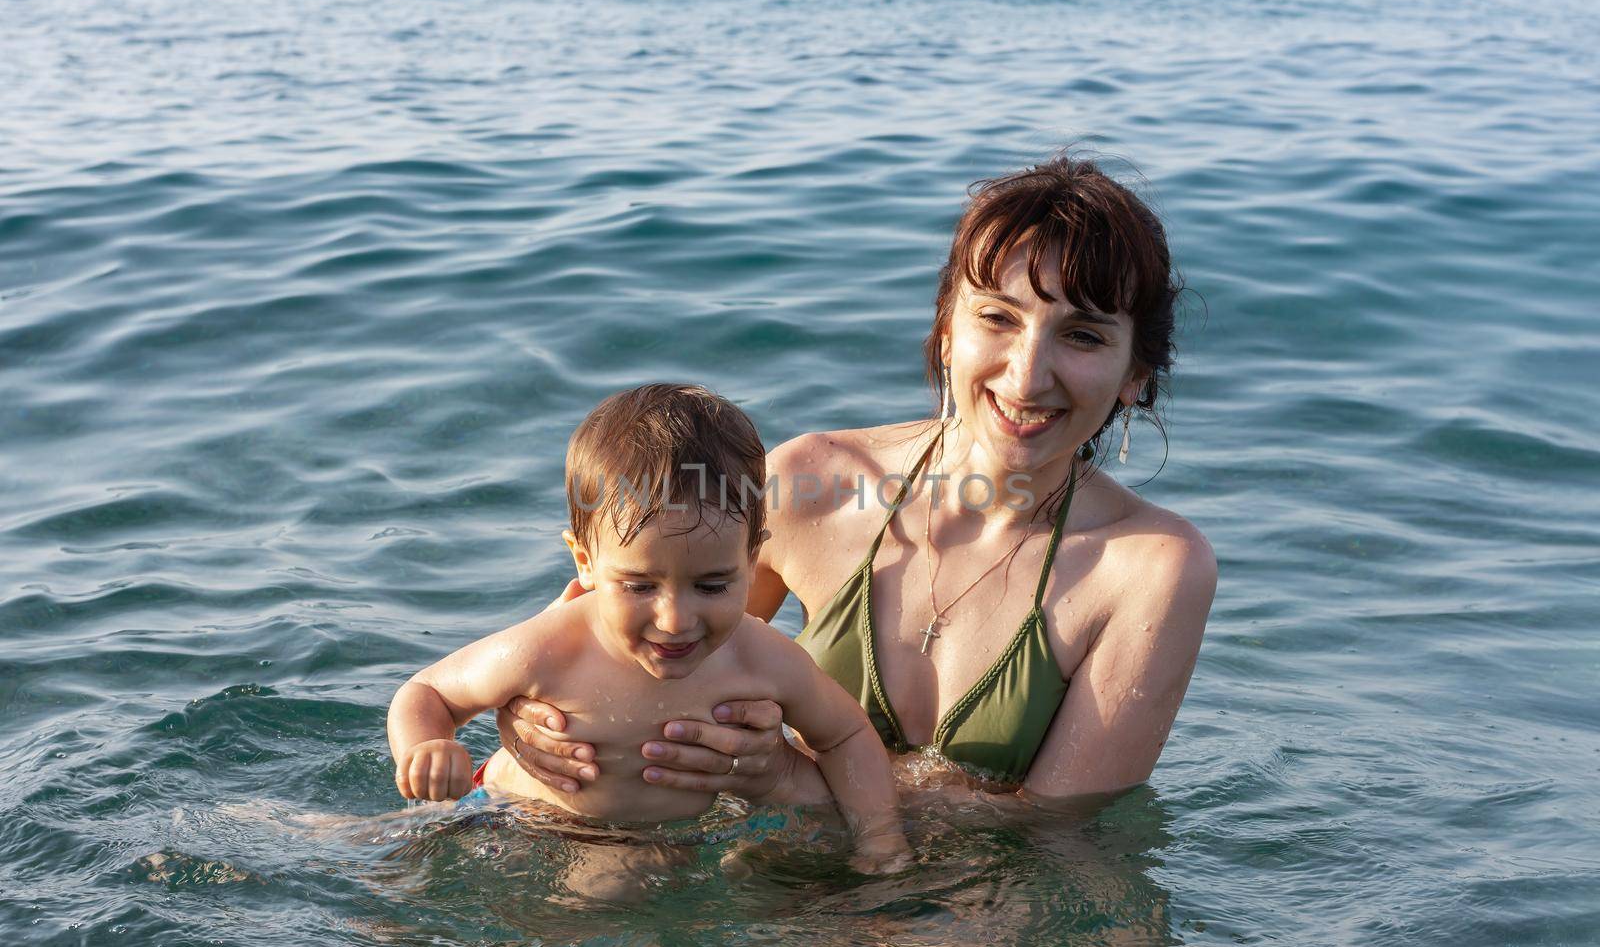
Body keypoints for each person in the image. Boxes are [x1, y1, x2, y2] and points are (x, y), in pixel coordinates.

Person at [497, 154, 1217, 809]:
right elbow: (641, 655)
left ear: (1136, 375)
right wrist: (539, 719)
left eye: (1083, 336)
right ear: (945, 330)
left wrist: (787, 777)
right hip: (763, 884)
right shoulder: (814, 483)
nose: (1027, 376)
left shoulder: (1148, 568)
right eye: (997, 318)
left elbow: (1058, 832)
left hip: (968, 918)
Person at [387, 384, 911, 873]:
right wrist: (425, 748)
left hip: (651, 843)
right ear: (585, 560)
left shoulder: (764, 659)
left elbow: (845, 735)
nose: (675, 620)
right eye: (639, 586)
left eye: (711, 586)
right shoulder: (549, 647)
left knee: (627, 880)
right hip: (504, 813)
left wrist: (881, 842)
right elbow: (428, 690)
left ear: (752, 558)